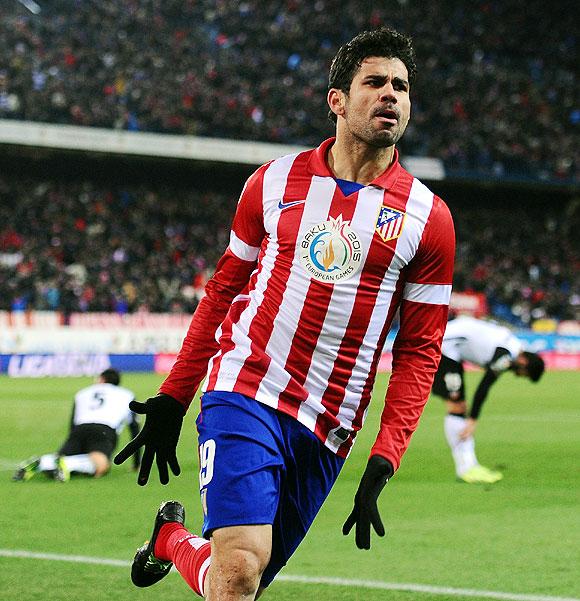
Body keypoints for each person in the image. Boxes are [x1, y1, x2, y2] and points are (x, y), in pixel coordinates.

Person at [114, 27, 455, 600]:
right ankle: (186, 540)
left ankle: (171, 539)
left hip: (330, 422)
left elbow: (420, 350)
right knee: (240, 571)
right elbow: (221, 292)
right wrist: (176, 395)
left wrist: (385, 455)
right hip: (247, 387)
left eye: (401, 85)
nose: (391, 94)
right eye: (374, 82)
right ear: (338, 100)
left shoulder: (429, 218)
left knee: (236, 582)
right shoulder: (273, 182)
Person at [432, 315, 545, 484]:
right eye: (523, 374)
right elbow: (485, 385)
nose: (518, 376)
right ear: (524, 362)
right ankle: (466, 468)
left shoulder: (512, 346)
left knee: (459, 407)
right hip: (444, 345)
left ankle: (469, 466)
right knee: (457, 407)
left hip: (452, 348)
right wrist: (473, 420)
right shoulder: (505, 355)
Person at [13, 368, 140, 482]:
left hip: (79, 430)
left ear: (101, 379)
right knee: (101, 466)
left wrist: (73, 442)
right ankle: (67, 464)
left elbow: (73, 422)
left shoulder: (82, 393)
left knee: (61, 459)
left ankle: (44, 462)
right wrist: (136, 463)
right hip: (104, 430)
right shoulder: (127, 394)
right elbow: (134, 429)